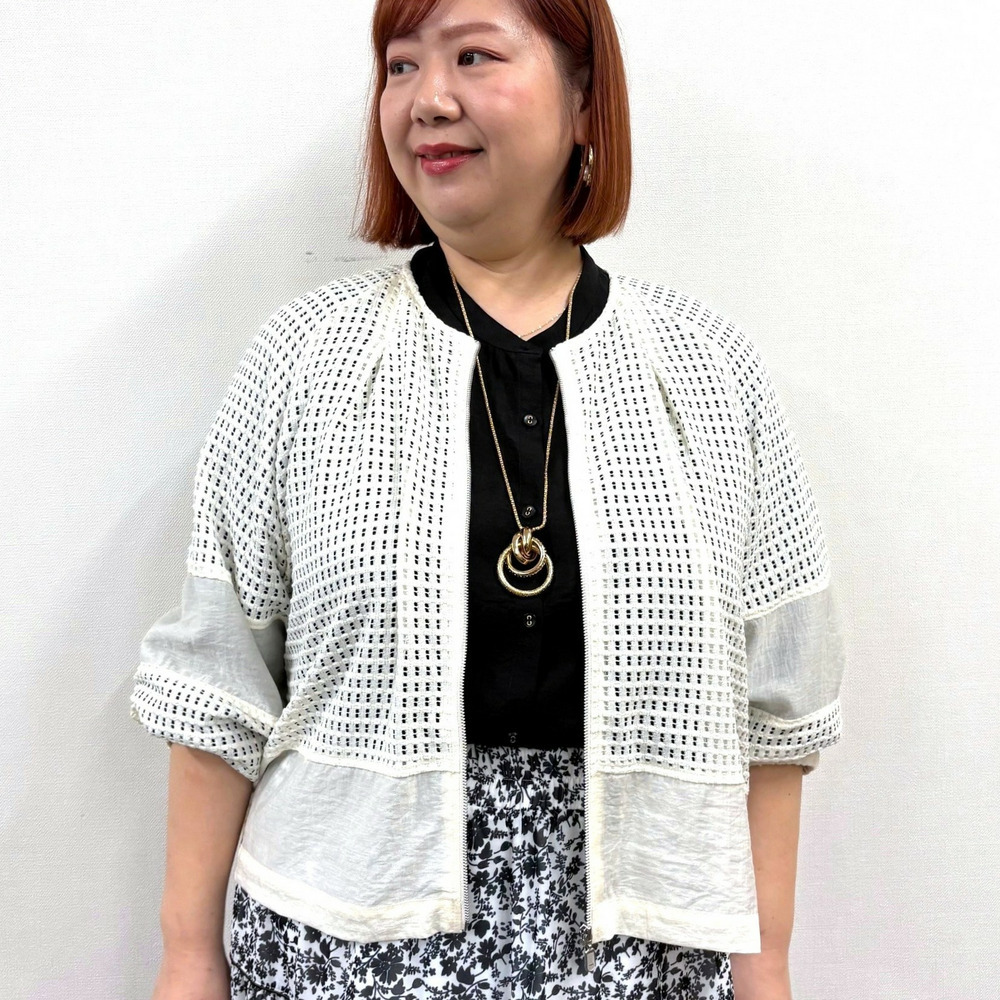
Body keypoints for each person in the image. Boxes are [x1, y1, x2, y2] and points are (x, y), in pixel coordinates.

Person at [130, 0, 846, 997]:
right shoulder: (305, 361)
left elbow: (779, 712)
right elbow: (218, 686)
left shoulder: (707, 372)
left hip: (637, 964)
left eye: (472, 56)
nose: (427, 100)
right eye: (400, 65)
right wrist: (186, 960)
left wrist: (764, 973)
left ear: (584, 98)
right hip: (334, 948)